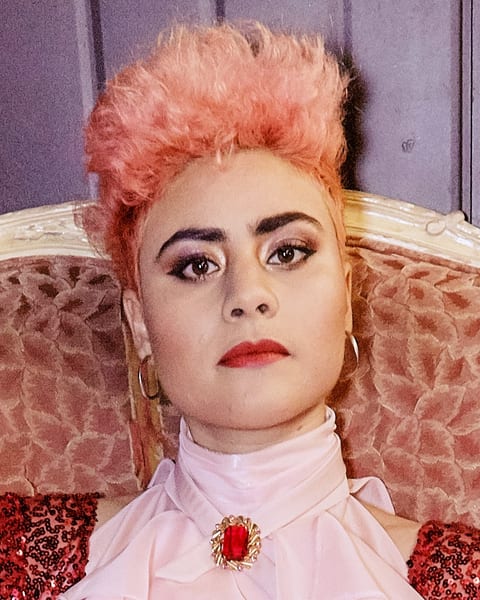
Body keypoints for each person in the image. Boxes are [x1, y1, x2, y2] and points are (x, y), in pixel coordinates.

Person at [58, 22, 479, 599]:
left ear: (347, 296)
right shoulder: (30, 555)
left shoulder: (461, 579)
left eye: (287, 252)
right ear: (140, 323)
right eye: (196, 265)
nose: (248, 295)